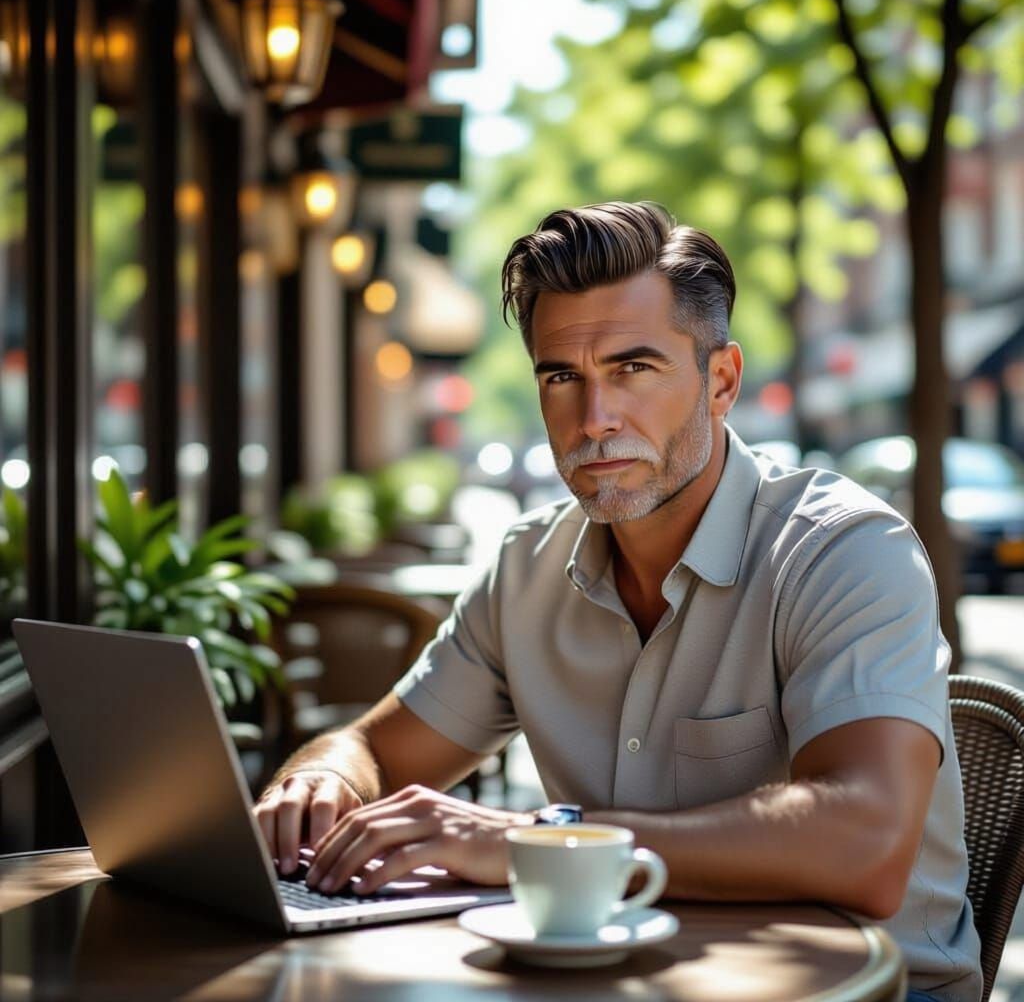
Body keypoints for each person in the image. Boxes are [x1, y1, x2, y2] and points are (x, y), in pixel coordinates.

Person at [256, 202, 981, 1002]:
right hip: (615, 979)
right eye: (562, 377)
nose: (594, 421)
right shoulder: (526, 568)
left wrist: (540, 841)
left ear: (721, 381)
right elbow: (373, 751)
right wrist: (315, 783)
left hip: (865, 988)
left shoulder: (843, 551)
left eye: (633, 368)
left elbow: (864, 845)